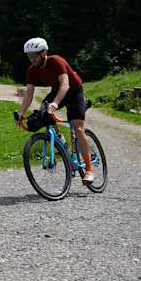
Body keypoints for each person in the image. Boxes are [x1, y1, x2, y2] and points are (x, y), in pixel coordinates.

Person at [18, 37, 95, 183]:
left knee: (78, 129)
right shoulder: (32, 70)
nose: (32, 60)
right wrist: (22, 112)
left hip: (73, 90)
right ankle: (60, 140)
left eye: (34, 56)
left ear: (43, 53)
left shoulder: (56, 61)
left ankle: (90, 169)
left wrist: (55, 104)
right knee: (42, 111)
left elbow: (65, 85)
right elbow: (29, 94)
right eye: (29, 57)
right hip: (57, 90)